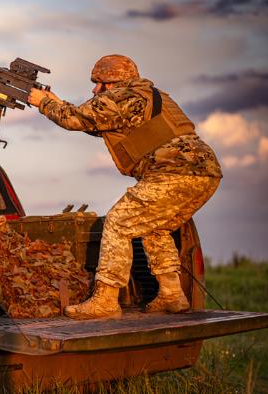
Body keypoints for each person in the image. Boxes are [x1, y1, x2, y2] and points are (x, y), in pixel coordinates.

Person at [28, 54, 222, 320]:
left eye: (97, 83)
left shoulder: (121, 97)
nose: (94, 90)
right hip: (205, 174)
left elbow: (75, 120)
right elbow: (93, 121)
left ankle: (106, 300)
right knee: (154, 227)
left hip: (174, 173)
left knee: (118, 222)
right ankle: (172, 294)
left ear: (110, 83)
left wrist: (43, 103)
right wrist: (57, 103)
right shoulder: (148, 94)